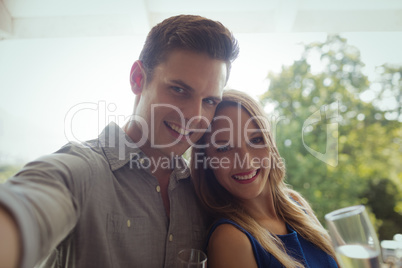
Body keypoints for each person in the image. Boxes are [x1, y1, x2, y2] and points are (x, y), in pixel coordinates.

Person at [0, 15, 239, 268]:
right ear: (138, 78)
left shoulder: (200, 189)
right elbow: (27, 204)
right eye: (179, 90)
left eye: (210, 101)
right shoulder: (83, 170)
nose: (194, 115)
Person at [191, 90, 339, 268]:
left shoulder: (296, 204)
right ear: (206, 161)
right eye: (224, 148)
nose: (245, 161)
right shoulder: (230, 239)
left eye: (256, 140)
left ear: (270, 143)